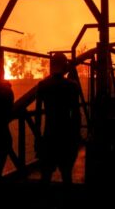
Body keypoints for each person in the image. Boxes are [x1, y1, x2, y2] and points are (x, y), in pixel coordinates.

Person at [34, 52, 81, 185]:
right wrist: (76, 135)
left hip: (49, 135)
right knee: (67, 175)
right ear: (65, 66)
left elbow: (38, 115)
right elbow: (76, 114)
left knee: (46, 176)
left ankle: (46, 204)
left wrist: (38, 138)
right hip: (66, 135)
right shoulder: (72, 86)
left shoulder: (43, 85)